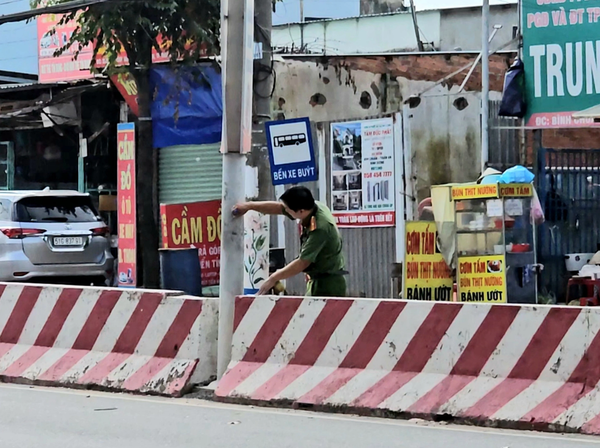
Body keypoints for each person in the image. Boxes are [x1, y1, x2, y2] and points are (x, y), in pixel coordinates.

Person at [234, 186, 347, 297]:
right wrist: (248, 206)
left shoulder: (321, 228)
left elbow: (303, 262)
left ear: (301, 211)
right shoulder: (312, 206)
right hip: (316, 280)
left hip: (329, 284)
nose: (285, 211)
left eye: (288, 209)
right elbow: (279, 208)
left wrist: (274, 278)